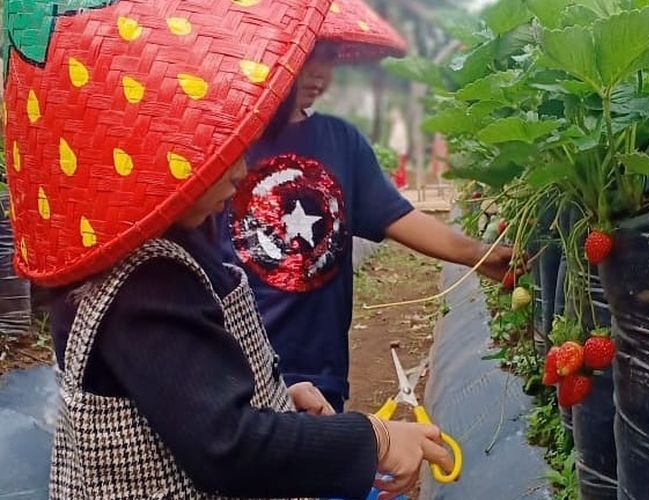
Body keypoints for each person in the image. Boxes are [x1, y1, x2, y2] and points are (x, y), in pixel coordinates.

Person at [3, 1, 452, 498]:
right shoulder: (146, 284)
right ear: (157, 154)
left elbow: (189, 393)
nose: (242, 171)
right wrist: (375, 436)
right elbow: (227, 445)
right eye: (221, 151)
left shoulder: (161, 252)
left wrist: (271, 397)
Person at [217, 41, 515, 414]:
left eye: (327, 59)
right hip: (236, 366)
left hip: (318, 366)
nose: (320, 73)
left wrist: (478, 255)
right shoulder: (223, 145)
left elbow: (395, 215)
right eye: (306, 58)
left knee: (318, 465)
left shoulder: (341, 141)